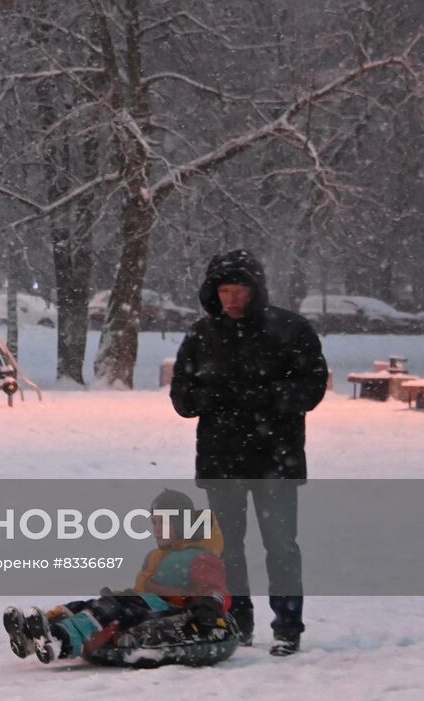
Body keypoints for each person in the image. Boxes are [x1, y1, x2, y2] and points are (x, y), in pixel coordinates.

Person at [169, 249, 327, 657]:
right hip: (221, 462)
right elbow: (182, 400)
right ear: (213, 292)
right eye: (225, 290)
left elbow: (312, 387)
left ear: (255, 290)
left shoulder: (290, 330)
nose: (232, 299)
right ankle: (237, 620)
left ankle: (287, 626)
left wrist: (264, 397)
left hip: (275, 460)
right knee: (225, 548)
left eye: (239, 290)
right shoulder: (201, 336)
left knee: (281, 546)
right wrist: (217, 397)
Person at [2, 489, 235, 667]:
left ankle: (60, 639)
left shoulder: (201, 556)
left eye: (162, 522)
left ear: (181, 523)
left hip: (175, 611)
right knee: (85, 606)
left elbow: (217, 590)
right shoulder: (158, 556)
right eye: (153, 522)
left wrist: (209, 604)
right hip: (149, 604)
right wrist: (127, 595)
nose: (155, 528)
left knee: (108, 610)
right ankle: (35, 634)